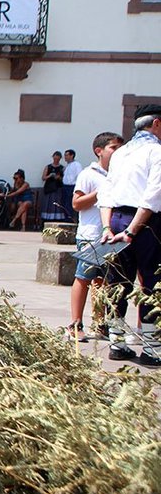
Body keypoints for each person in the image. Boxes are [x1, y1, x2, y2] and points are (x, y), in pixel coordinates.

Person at [97, 104, 161, 367]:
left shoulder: (121, 153)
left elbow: (107, 192)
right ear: (156, 123)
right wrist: (132, 230)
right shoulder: (156, 151)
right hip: (146, 223)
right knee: (151, 284)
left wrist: (107, 228)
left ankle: (117, 343)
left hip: (116, 219)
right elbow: (153, 196)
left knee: (117, 283)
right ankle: (152, 349)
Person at [66, 132, 122, 342]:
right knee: (83, 278)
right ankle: (75, 324)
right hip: (90, 235)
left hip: (111, 236)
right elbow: (76, 203)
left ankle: (100, 323)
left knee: (103, 281)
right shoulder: (88, 174)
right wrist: (100, 192)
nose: (117, 152)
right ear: (99, 151)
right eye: (113, 147)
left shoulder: (120, 173)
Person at [40, 151, 65, 221]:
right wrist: (49, 176)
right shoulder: (48, 167)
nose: (56, 160)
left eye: (57, 159)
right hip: (49, 188)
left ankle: (57, 218)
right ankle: (47, 217)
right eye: (55, 158)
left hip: (58, 187)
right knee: (48, 202)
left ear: (60, 159)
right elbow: (43, 178)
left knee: (58, 202)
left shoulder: (62, 168)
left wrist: (59, 177)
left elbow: (65, 179)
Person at [62, 149, 82, 223]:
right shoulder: (67, 165)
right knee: (65, 203)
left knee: (69, 204)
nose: (65, 157)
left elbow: (79, 175)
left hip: (72, 186)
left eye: (66, 155)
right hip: (65, 186)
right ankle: (66, 219)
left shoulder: (77, 165)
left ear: (72, 155)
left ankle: (71, 220)